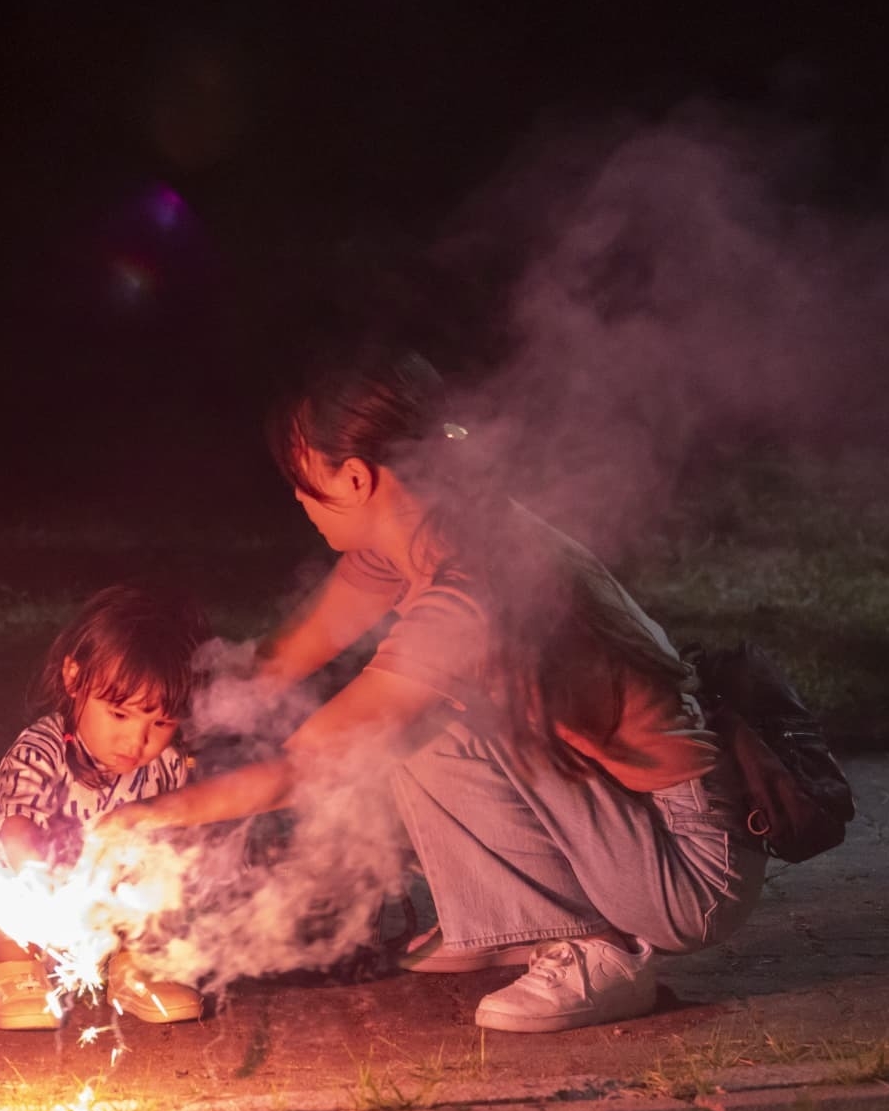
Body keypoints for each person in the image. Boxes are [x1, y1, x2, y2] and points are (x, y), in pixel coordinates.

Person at [96, 344, 765, 1033]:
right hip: (645, 821)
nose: (296, 497)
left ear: (355, 477)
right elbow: (276, 663)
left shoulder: (468, 593)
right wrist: (156, 707)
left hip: (691, 866)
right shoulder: (422, 536)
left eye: (301, 478)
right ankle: (504, 914)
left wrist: (144, 817)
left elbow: (310, 761)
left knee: (402, 728)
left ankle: (597, 951)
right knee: (419, 727)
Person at [0, 584, 208, 1030]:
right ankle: (14, 962)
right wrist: (43, 887)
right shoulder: (41, 750)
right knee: (2, 868)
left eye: (160, 723)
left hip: (108, 902)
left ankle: (134, 966)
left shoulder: (168, 765)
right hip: (37, 886)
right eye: (119, 714)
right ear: (74, 679)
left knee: (161, 857)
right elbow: (15, 827)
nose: (136, 741)